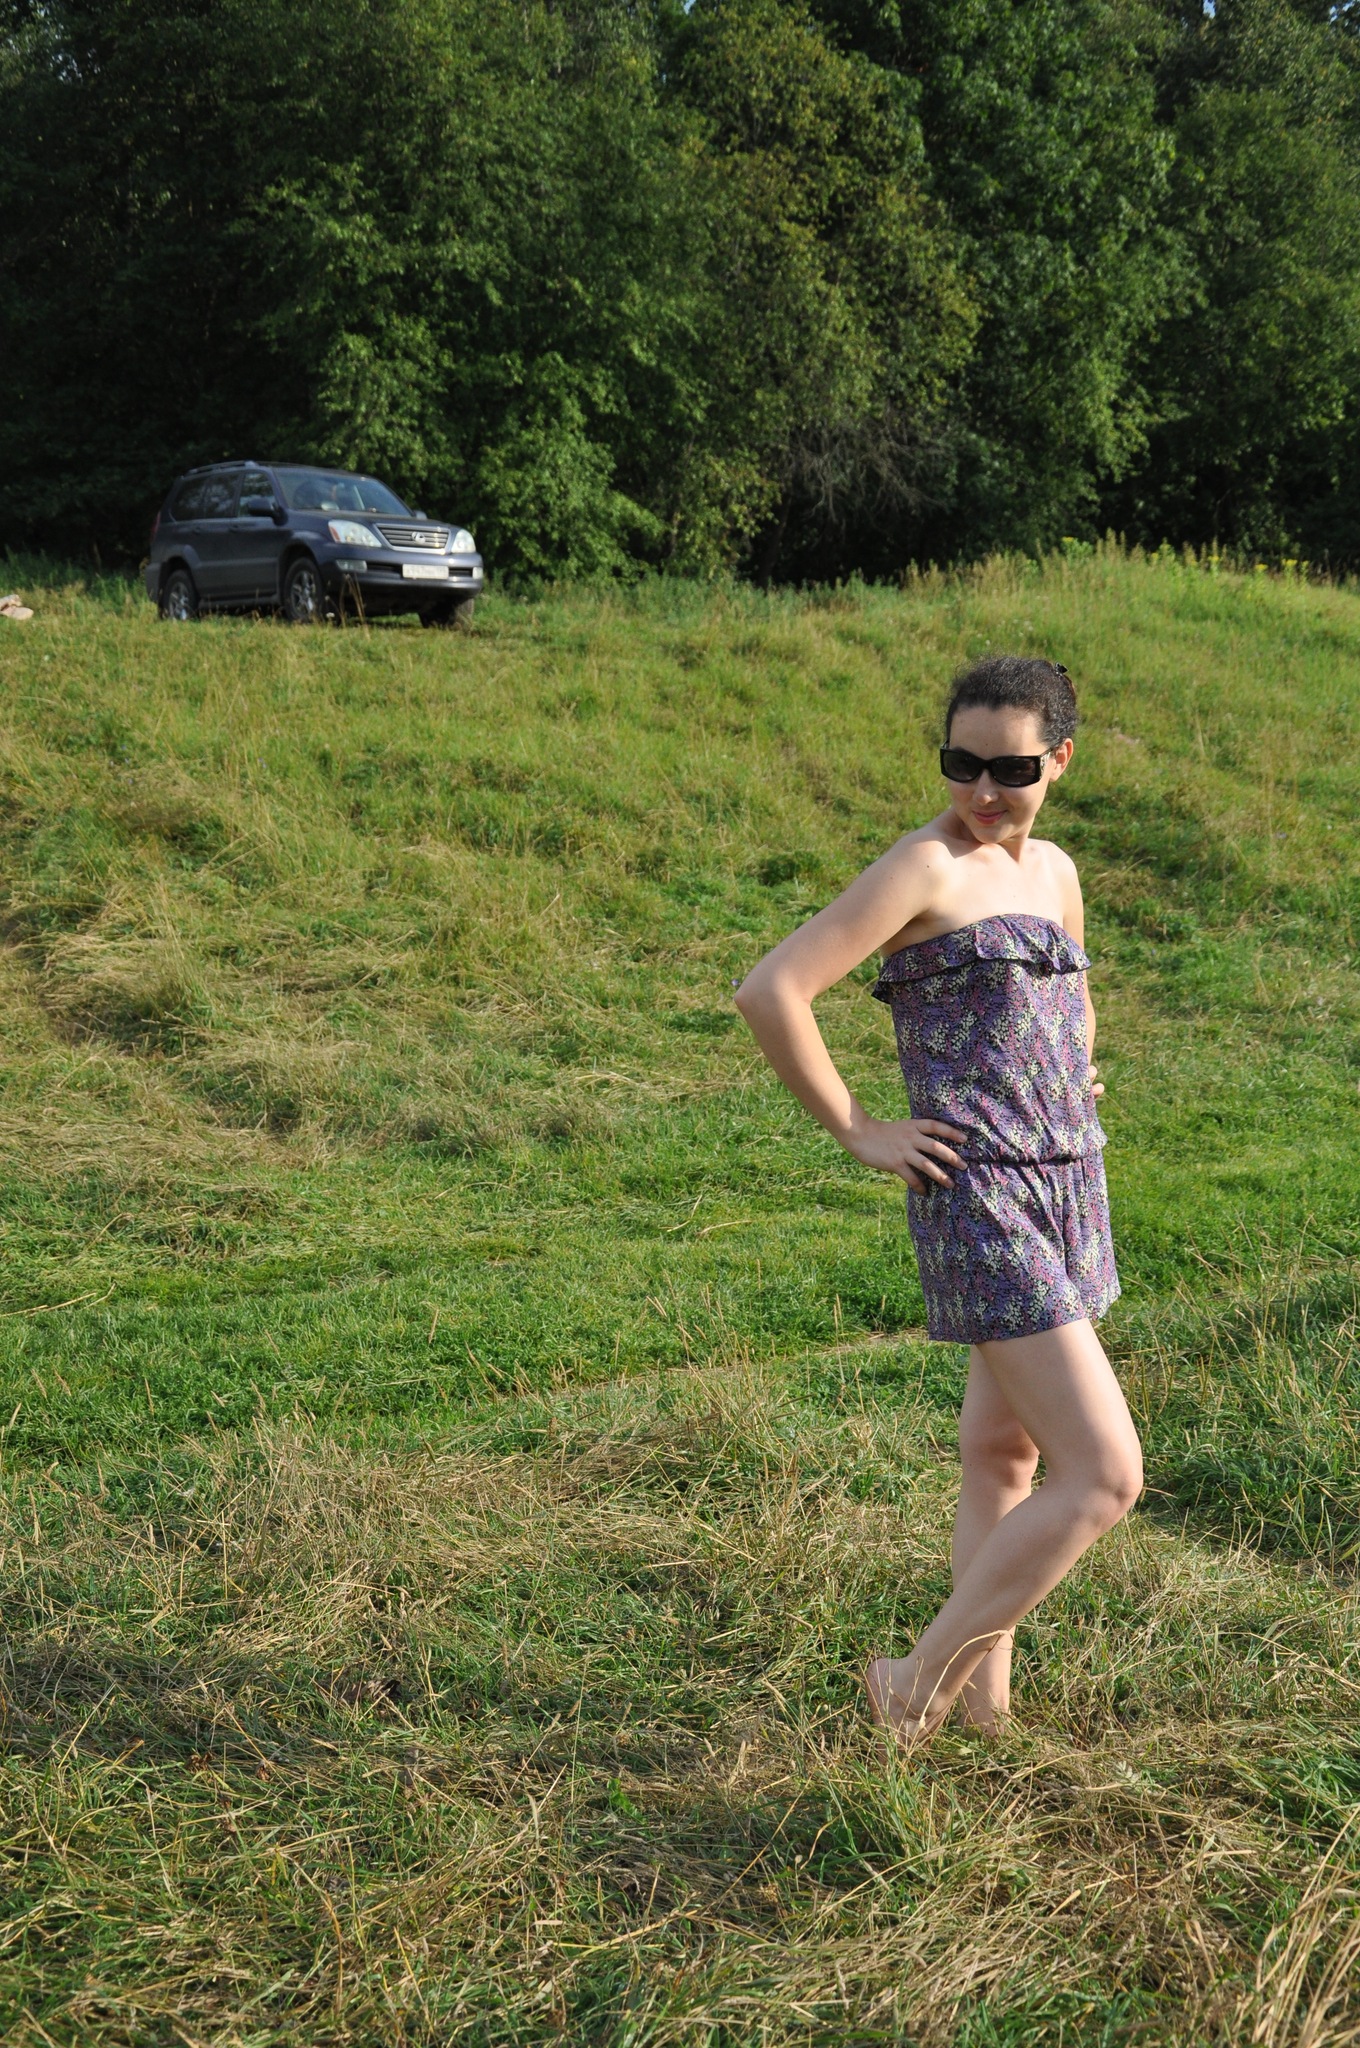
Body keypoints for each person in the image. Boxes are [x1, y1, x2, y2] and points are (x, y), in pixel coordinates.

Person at [734, 655, 1143, 1747]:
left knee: (1007, 1456)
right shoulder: (924, 865)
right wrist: (859, 1128)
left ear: (1060, 759)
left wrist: (1075, 1070)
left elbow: (1072, 1000)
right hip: (981, 1196)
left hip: (1070, 1179)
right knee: (1105, 1473)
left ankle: (984, 1711)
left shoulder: (1055, 871)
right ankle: (914, 1682)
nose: (981, 791)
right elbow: (771, 989)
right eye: (961, 763)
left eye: (1010, 768)